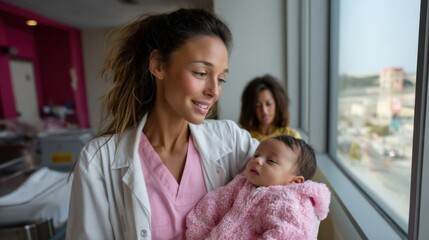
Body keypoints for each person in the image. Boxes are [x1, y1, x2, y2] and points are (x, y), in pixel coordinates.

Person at [65, 8, 259, 240]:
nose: (214, 91)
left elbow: (291, 195)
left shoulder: (232, 141)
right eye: (200, 73)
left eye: (221, 79)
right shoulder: (98, 161)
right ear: (158, 65)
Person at [186, 135, 331, 240]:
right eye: (256, 155)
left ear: (295, 181)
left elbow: (289, 233)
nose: (257, 161)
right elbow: (213, 204)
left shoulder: (288, 202)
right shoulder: (241, 183)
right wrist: (198, 233)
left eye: (271, 161)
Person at [239, 74, 301, 141]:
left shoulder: (291, 136)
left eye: (268, 104)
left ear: (278, 103)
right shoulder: (245, 138)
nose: (264, 111)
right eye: (258, 105)